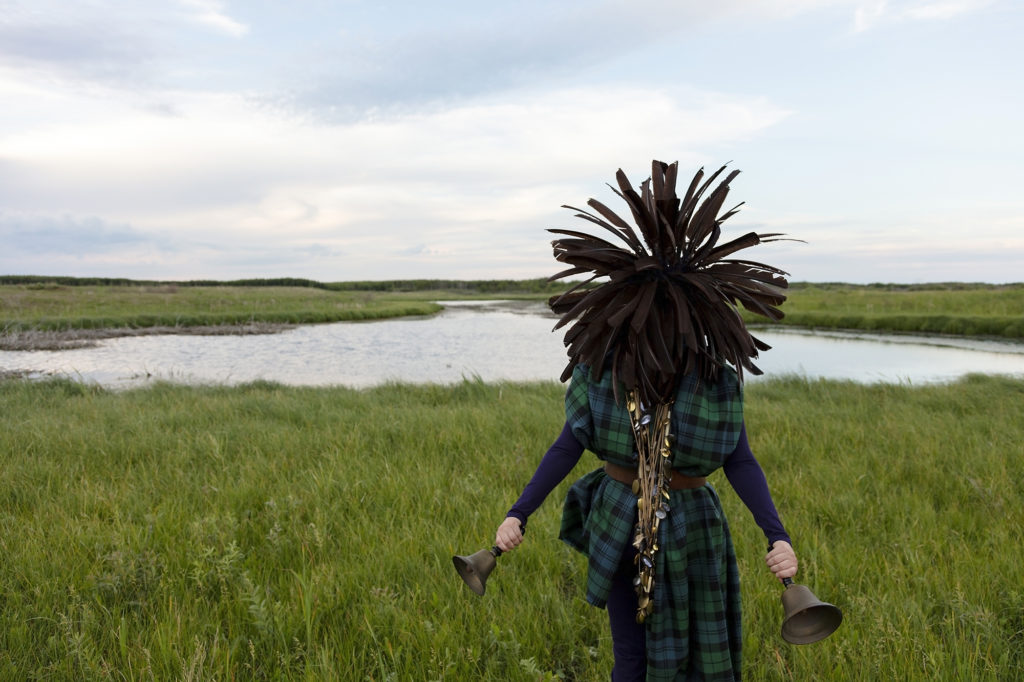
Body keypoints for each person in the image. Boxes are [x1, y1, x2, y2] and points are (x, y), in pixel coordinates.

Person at [493, 161, 799, 681]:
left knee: (698, 656)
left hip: (694, 529)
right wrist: (518, 513)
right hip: (618, 517)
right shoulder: (602, 371)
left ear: (698, 313)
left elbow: (739, 459)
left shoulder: (715, 380)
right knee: (632, 657)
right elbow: (567, 447)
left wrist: (778, 537)